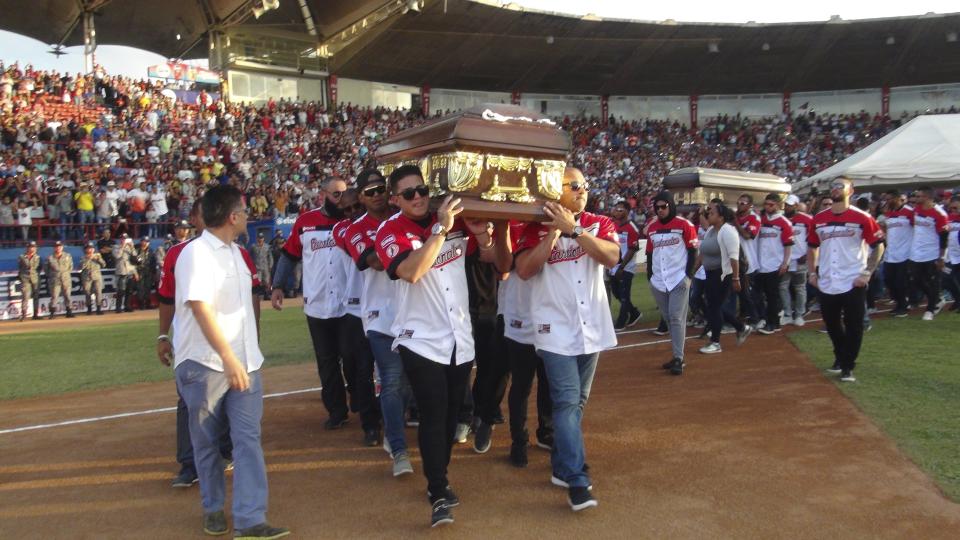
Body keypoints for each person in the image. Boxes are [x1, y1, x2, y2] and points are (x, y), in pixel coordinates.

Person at [374, 165, 510, 527]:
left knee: (452, 415)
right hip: (420, 338)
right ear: (394, 200)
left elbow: (494, 261)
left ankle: (440, 473)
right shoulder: (390, 231)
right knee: (434, 414)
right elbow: (412, 271)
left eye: (421, 190)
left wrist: (482, 236)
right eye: (408, 194)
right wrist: (441, 230)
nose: (418, 197)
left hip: (458, 335)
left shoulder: (448, 215)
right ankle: (438, 489)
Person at [172, 184, 287, 539]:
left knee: (247, 439)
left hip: (245, 364)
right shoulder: (196, 253)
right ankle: (212, 508)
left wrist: (244, 357)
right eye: (245, 212)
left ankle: (250, 518)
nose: (248, 217)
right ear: (233, 216)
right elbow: (199, 307)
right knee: (205, 442)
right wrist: (227, 357)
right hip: (205, 364)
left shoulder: (237, 253)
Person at [514, 167, 619, 512]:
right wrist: (554, 235)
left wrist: (574, 230)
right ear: (553, 190)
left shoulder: (598, 222)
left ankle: (562, 466)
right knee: (566, 401)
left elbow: (612, 256)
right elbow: (525, 270)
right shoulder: (532, 228)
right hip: (553, 329)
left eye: (585, 185)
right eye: (574, 185)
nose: (582, 190)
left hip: (591, 326)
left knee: (576, 403)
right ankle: (576, 478)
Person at [272, 176, 359, 431]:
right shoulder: (305, 222)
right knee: (327, 362)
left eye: (343, 194)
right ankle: (336, 410)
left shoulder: (352, 220)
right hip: (317, 304)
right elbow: (288, 255)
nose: (340, 199)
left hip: (347, 304)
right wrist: (277, 285)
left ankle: (360, 398)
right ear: (323, 195)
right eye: (335, 194)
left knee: (352, 356)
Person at [343, 169, 413, 476]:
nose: (377, 195)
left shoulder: (405, 216)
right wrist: (413, 250)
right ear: (360, 197)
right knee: (392, 380)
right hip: (379, 316)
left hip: (414, 311)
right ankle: (398, 447)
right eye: (369, 191)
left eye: (380, 189)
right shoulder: (354, 229)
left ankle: (398, 429)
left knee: (411, 382)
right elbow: (373, 261)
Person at [807, 178, 884, 382]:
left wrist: (867, 272)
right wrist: (812, 273)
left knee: (854, 325)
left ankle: (848, 365)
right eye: (833, 185)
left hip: (852, 279)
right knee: (831, 324)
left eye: (840, 185)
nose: (835, 188)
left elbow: (878, 245)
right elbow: (812, 246)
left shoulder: (862, 217)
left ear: (851, 190)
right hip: (827, 280)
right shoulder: (819, 218)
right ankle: (840, 357)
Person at [501, 220, 554, 467]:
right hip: (520, 315)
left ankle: (547, 431)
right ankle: (518, 440)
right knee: (521, 384)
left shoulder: (558, 224)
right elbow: (511, 267)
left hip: (552, 318)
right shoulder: (511, 223)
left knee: (549, 381)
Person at [332, 187, 381, 446]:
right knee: (360, 368)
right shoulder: (343, 230)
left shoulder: (382, 223)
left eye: (355, 208)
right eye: (346, 210)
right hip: (354, 308)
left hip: (382, 306)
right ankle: (370, 424)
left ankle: (384, 414)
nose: (351, 213)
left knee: (387, 369)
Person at [645, 191, 699, 375]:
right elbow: (650, 253)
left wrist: (688, 276)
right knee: (669, 318)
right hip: (659, 280)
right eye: (657, 207)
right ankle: (676, 354)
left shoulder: (684, 225)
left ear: (670, 205)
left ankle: (679, 358)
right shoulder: (652, 228)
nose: (660, 210)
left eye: (663, 206)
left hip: (678, 278)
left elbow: (693, 251)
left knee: (676, 317)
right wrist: (650, 276)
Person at [697, 200, 751, 354]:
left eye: (712, 212)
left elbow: (734, 257)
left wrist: (735, 278)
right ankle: (741, 327)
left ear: (721, 217)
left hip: (723, 274)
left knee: (714, 307)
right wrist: (693, 270)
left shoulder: (728, 231)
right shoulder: (711, 231)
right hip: (710, 273)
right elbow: (702, 254)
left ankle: (715, 342)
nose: (709, 214)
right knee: (714, 307)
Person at [755, 193, 793, 335]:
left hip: (775, 264)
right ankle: (769, 318)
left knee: (772, 295)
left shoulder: (784, 222)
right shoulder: (761, 220)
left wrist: (785, 263)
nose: (767, 207)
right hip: (760, 263)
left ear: (778, 205)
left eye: (771, 204)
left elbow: (788, 245)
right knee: (758, 294)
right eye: (766, 204)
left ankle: (772, 322)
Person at [909, 186, 949, 320]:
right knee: (916, 280)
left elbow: (944, 237)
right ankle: (936, 299)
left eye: (919, 196)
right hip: (916, 252)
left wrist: (941, 257)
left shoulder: (939, 214)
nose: (916, 199)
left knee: (933, 281)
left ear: (928, 197)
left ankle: (930, 309)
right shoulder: (917, 210)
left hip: (932, 253)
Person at [609, 200, 643, 330]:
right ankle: (635, 313)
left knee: (624, 295)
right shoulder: (614, 226)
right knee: (616, 293)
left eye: (620, 209)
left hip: (626, 268)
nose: (617, 211)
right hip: (614, 266)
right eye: (616, 209)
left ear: (627, 212)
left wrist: (622, 267)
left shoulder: (632, 228)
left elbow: (632, 248)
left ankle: (621, 321)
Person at [780, 194, 813, 326]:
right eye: (786, 204)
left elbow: (813, 239)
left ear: (796, 205)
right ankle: (788, 313)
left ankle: (799, 314)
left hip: (800, 259)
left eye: (790, 204)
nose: (788, 207)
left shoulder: (807, 219)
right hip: (785, 259)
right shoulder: (781, 219)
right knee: (783, 287)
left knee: (799, 288)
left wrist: (806, 255)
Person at [881, 189, 913, 317]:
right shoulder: (889, 214)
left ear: (899, 198)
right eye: (886, 199)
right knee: (888, 280)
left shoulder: (910, 212)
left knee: (900, 282)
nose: (888, 202)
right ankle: (900, 302)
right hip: (891, 253)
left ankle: (903, 306)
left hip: (905, 253)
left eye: (890, 199)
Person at [734, 193, 762, 325]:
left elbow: (747, 235)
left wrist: (735, 223)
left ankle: (757, 317)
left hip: (749, 260)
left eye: (743, 203)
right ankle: (745, 314)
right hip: (736, 260)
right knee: (740, 292)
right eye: (738, 202)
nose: (739, 205)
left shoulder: (754, 218)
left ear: (750, 205)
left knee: (747, 293)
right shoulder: (735, 217)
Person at [46, 240, 75, 319]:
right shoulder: (50, 257)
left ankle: (69, 311)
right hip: (55, 279)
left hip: (66, 278)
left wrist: (65, 274)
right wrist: (53, 275)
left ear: (62, 247)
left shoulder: (67, 256)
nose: (58, 248)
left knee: (67, 295)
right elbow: (46, 270)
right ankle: (52, 313)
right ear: (54, 248)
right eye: (56, 247)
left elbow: (70, 267)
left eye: (59, 246)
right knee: (54, 296)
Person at [113, 234, 138, 312]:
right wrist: (122, 246)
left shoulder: (130, 248)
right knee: (121, 291)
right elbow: (117, 256)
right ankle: (118, 307)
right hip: (121, 272)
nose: (124, 240)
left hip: (130, 271)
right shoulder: (116, 247)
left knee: (129, 291)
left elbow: (135, 257)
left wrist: (132, 246)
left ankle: (127, 306)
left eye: (125, 239)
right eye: (123, 239)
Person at [80, 242, 105, 315]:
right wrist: (88, 259)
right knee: (87, 293)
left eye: (91, 248)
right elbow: (82, 267)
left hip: (97, 276)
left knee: (98, 292)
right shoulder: (83, 258)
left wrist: (98, 259)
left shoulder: (98, 256)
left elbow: (104, 264)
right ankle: (89, 309)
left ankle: (99, 308)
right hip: (87, 277)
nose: (90, 250)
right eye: (88, 248)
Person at [17, 240, 40, 321]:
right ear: (27, 248)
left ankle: (36, 314)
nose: (33, 249)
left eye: (34, 247)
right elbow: (20, 267)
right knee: (25, 296)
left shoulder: (37, 257)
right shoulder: (22, 257)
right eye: (31, 247)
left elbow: (37, 267)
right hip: (25, 278)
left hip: (34, 278)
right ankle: (23, 314)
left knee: (36, 296)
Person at [944, 196, 960, 312]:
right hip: (950, 254)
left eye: (956, 207)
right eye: (951, 208)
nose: (953, 210)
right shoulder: (947, 217)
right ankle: (957, 299)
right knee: (946, 278)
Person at [135, 236, 156, 310]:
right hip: (140, 271)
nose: (145, 243)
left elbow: (154, 262)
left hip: (149, 271)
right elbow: (135, 262)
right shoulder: (137, 250)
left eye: (146, 242)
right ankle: (141, 304)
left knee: (148, 288)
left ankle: (147, 303)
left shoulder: (151, 251)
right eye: (144, 241)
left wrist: (154, 273)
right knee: (140, 288)